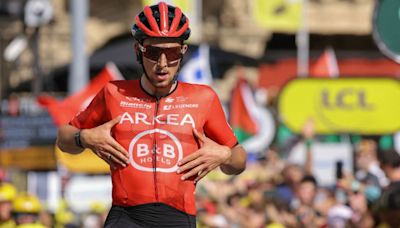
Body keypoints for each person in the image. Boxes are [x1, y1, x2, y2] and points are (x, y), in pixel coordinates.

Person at [56, 2, 247, 227]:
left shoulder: (203, 98)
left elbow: (239, 160)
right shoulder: (113, 93)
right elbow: (63, 139)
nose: (163, 64)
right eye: (154, 52)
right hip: (126, 216)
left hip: (177, 216)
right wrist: (84, 138)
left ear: (183, 52)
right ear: (139, 51)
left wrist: (225, 155)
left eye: (172, 52)